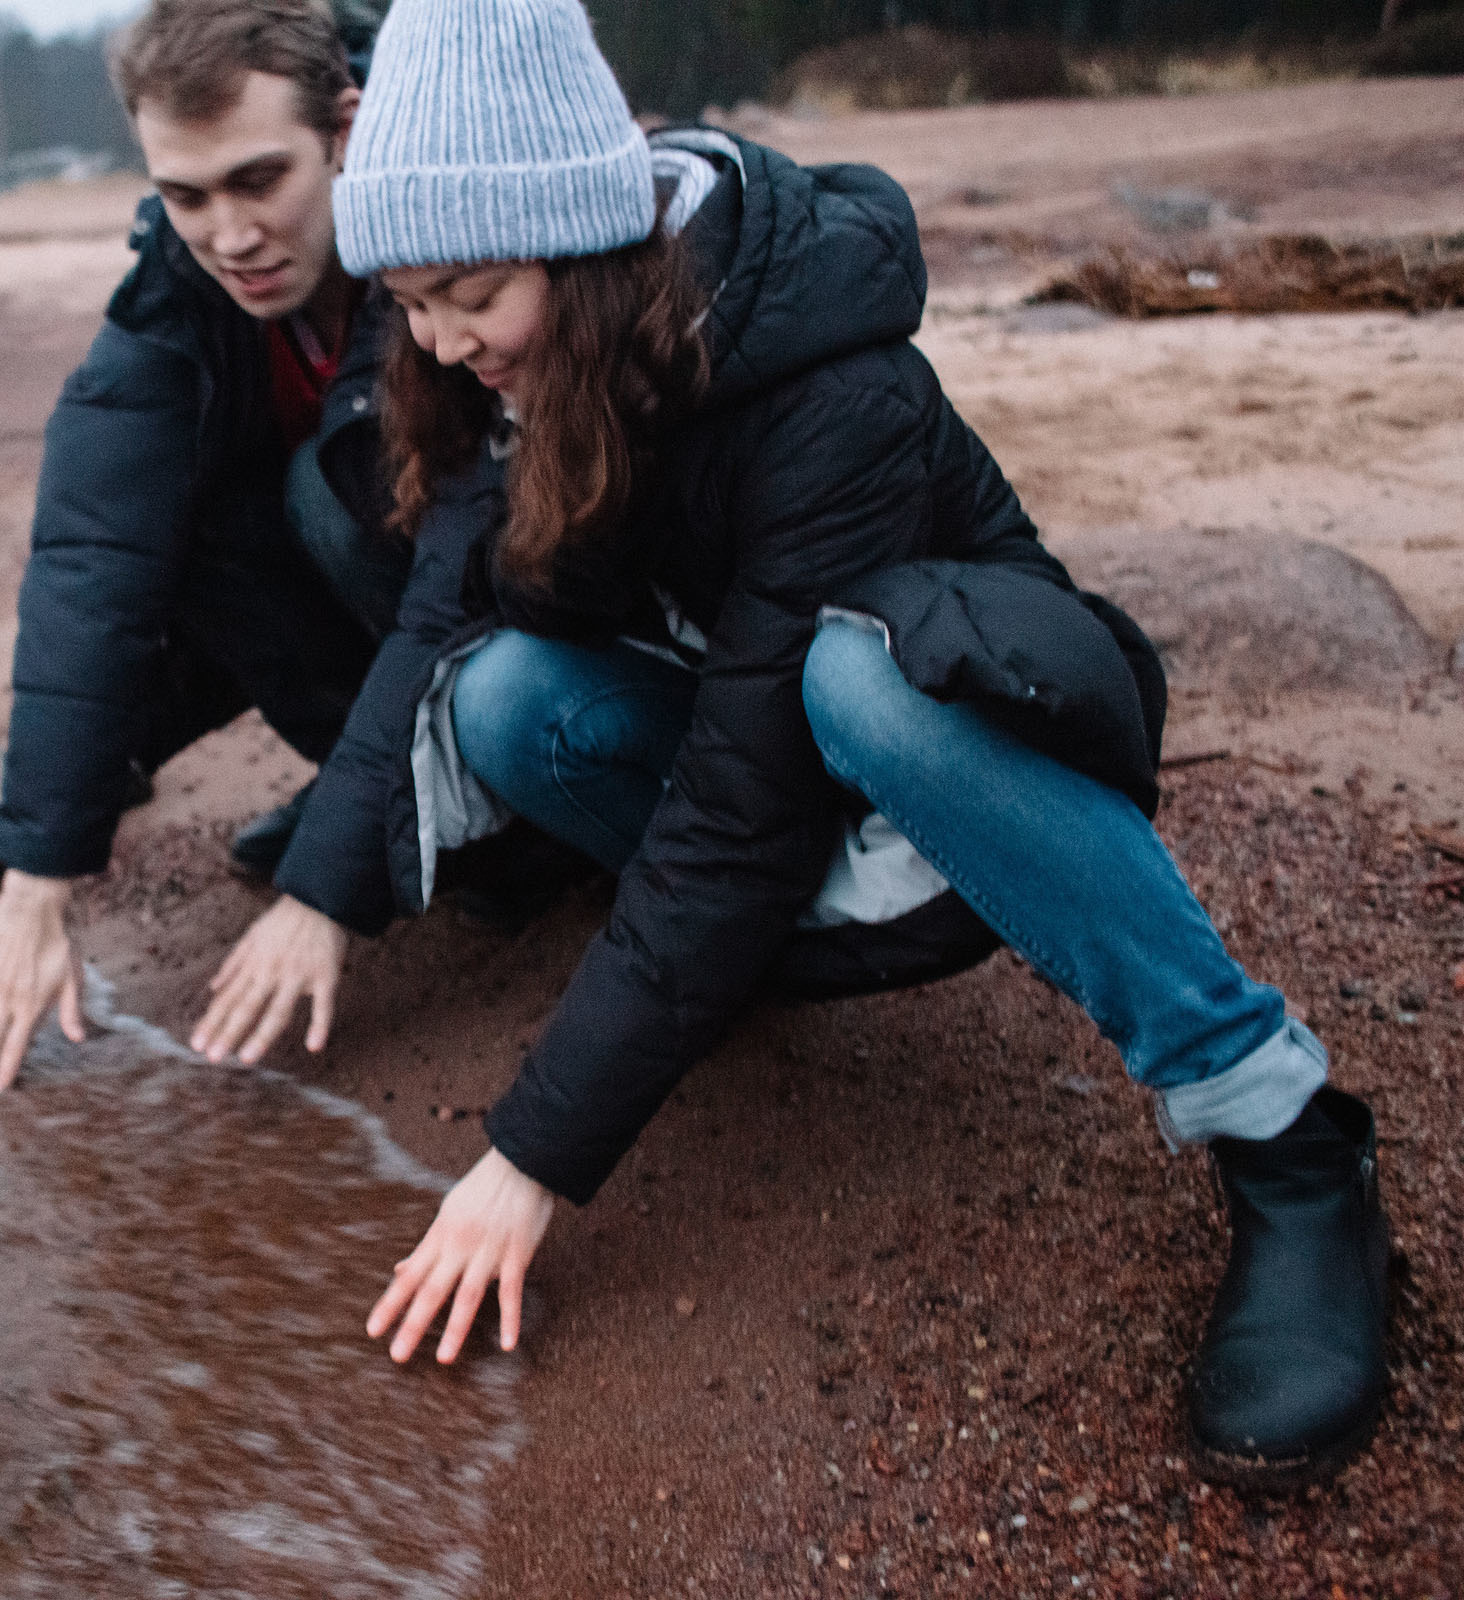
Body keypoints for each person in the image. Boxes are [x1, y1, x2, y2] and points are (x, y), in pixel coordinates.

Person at [219, 0, 1391, 1489]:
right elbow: (440, 616)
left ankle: (1287, 1136)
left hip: (950, 770)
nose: (436, 344)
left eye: (464, 292)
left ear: (583, 244)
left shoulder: (832, 384)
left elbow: (741, 798)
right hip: (759, 780)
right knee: (507, 691)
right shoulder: (509, 365)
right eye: (409, 301)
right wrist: (330, 885)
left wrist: (529, 1161)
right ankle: (714, 972)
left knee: (861, 677)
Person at [0, 0, 414, 1096]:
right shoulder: (179, 294)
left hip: (525, 634)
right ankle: (372, 785)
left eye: (257, 180)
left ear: (349, 127)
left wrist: (332, 877)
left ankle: (474, 828)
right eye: (185, 195)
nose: (229, 235)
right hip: (363, 630)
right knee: (172, 534)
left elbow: (472, 593)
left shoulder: (454, 247)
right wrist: (35, 882)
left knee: (314, 491)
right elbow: (89, 564)